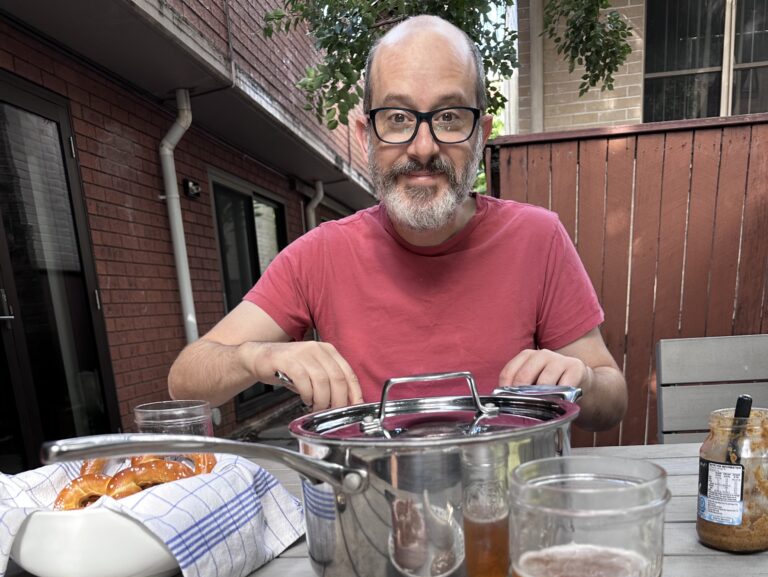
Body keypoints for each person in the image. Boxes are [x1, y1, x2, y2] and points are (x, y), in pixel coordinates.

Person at [168, 15, 627, 431]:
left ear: (481, 134)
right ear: (368, 135)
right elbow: (186, 380)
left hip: (502, 510)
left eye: (448, 117)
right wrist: (259, 355)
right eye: (398, 117)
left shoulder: (538, 238)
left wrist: (581, 378)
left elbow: (613, 401)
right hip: (367, 506)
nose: (423, 147)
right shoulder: (319, 254)